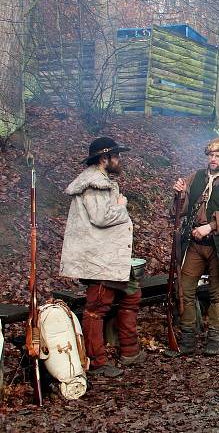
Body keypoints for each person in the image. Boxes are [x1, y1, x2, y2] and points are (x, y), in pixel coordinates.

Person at [60, 137, 143, 377]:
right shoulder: (94, 183)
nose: (120, 160)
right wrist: (121, 204)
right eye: (116, 156)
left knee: (131, 294)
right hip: (99, 257)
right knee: (97, 306)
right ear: (104, 159)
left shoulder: (103, 180)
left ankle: (130, 351)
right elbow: (101, 217)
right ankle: (97, 362)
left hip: (110, 256)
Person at [172, 138, 219, 356]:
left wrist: (211, 226)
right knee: (184, 290)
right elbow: (181, 207)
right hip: (194, 244)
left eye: (218, 156)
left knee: (218, 295)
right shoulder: (195, 177)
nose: (213, 159)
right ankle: (188, 338)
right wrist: (180, 194)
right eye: (211, 155)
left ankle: (214, 339)